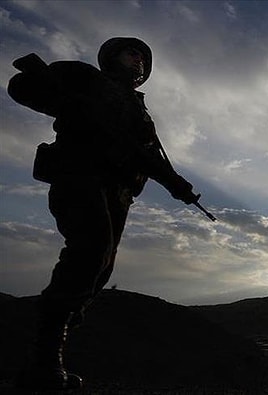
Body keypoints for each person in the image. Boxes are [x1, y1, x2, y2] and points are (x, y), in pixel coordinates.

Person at [8, 37, 200, 390]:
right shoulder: (84, 77)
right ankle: (43, 364)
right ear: (111, 58)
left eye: (143, 56)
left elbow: (149, 158)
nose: (138, 59)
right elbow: (21, 87)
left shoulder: (140, 112)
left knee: (99, 270)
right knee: (90, 251)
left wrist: (178, 186)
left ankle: (51, 356)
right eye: (132, 52)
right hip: (79, 177)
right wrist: (63, 101)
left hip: (118, 193)